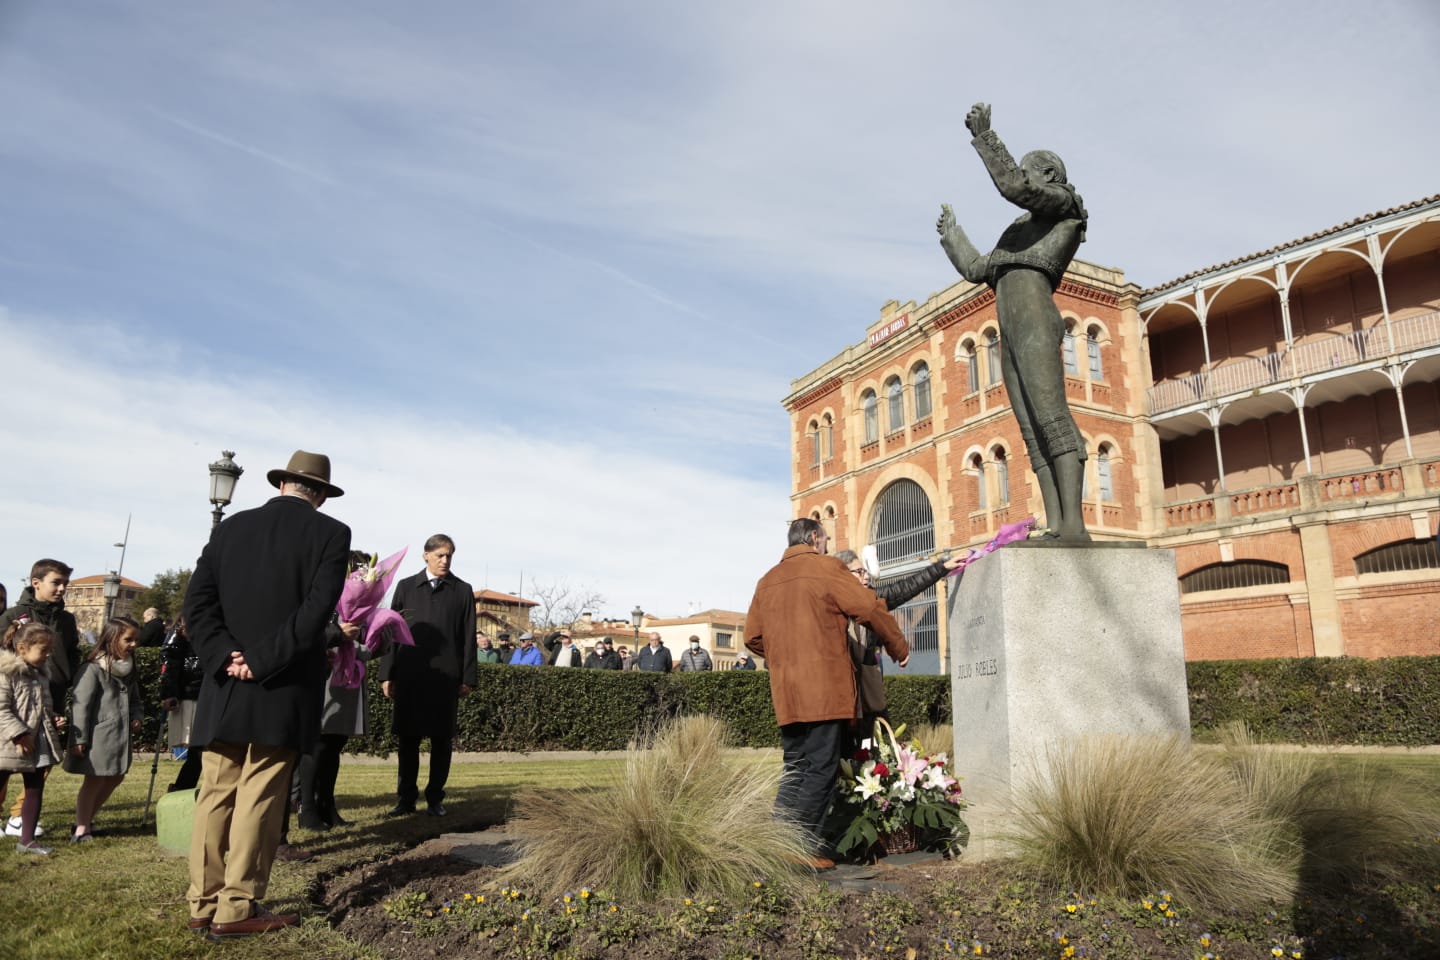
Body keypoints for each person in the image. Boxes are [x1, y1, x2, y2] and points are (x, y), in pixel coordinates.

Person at [182, 449, 350, 940]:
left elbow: (198, 602)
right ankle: (235, 909)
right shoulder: (331, 533)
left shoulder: (229, 528)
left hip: (226, 683)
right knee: (260, 795)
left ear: (283, 485)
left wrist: (225, 655)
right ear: (319, 493)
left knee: (215, 792)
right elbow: (316, 611)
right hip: (282, 682)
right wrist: (262, 659)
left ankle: (202, 902)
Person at [937, 102, 1090, 541]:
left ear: (1050, 176)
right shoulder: (1018, 231)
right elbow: (980, 268)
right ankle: (1057, 522)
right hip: (1010, 325)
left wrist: (986, 138)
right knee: (1029, 426)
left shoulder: (1065, 206)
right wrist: (953, 236)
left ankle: (1074, 525)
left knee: (1052, 415)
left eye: (1030, 171)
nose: (1023, 177)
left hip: (1035, 318)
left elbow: (1014, 188)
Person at [745, 518, 907, 869]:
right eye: (827, 539)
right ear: (815, 538)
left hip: (787, 693)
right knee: (821, 767)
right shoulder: (827, 568)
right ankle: (799, 846)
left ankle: (776, 843)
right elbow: (868, 608)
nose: (828, 545)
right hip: (824, 690)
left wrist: (786, 658)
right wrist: (898, 645)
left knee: (796, 766)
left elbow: (752, 637)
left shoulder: (766, 580)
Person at [380, 534, 477, 818]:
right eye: (440, 555)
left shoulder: (462, 590)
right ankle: (405, 799)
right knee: (408, 741)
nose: (445, 560)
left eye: (449, 556)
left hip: (445, 679)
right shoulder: (406, 587)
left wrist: (468, 677)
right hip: (409, 675)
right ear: (426, 555)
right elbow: (391, 633)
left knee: (441, 740)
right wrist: (388, 673)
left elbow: (468, 636)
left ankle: (435, 798)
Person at [832, 549, 962, 743]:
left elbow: (903, 589)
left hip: (869, 694)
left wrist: (941, 568)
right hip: (841, 697)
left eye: (865, 571)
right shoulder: (830, 606)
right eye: (859, 572)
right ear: (843, 575)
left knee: (881, 747)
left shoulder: (871, 598)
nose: (866, 575)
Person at [0, 559, 79, 839]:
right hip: (14, 699)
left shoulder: (67, 620)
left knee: (40, 762)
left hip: (50, 696)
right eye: (56, 582)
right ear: (36, 583)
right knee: (6, 761)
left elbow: (71, 655)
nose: (61, 589)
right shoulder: (13, 615)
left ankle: (19, 818)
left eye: (65, 584)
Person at [298, 551, 373, 832]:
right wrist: (344, 638)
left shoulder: (363, 602)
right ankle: (307, 806)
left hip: (350, 679)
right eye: (359, 571)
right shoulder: (323, 595)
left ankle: (327, 804)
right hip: (326, 676)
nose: (363, 576)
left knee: (334, 746)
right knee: (318, 744)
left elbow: (370, 638)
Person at [64, 615, 144, 842]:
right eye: (128, 639)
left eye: (135, 640)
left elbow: (137, 700)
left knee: (116, 776)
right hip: (98, 737)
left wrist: (137, 717)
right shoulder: (92, 669)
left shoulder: (129, 669)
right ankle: (81, 828)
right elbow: (80, 706)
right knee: (94, 780)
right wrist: (77, 738)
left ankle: (87, 819)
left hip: (120, 737)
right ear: (112, 638)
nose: (134, 645)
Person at [0, 620, 65, 855]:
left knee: (35, 787)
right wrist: (18, 735)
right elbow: (1, 709)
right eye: (43, 650)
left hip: (36, 739)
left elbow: (43, 706)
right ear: (22, 648)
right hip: (8, 742)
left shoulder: (40, 676)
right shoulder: (6, 673)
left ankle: (26, 840)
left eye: (50, 650)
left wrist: (54, 718)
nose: (47, 655)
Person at [161, 615, 205, 792]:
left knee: (201, 751)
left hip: (202, 692)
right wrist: (170, 693)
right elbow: (169, 661)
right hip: (191, 694)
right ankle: (181, 789)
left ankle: (181, 788)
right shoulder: (183, 626)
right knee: (201, 750)